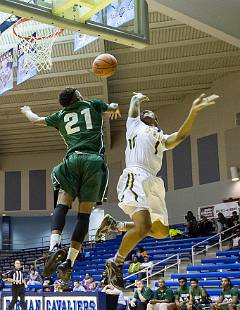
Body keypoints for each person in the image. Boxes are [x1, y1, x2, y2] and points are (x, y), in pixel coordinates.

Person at [96, 92, 217, 289]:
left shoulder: (160, 136)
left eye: (150, 112)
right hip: (135, 174)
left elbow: (181, 136)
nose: (146, 112)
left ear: (156, 120)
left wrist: (193, 112)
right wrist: (137, 98)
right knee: (143, 227)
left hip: (153, 182)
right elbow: (134, 107)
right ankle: (116, 262)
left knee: (161, 232)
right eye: (144, 112)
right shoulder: (135, 125)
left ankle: (116, 225)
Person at [21, 88, 120, 282]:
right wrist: (114, 107)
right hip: (94, 161)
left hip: (73, 160)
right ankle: (69, 263)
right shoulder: (93, 104)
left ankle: (52, 248)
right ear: (78, 96)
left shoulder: (61, 115)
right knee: (84, 216)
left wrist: (26, 110)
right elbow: (113, 107)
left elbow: (35, 120)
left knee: (62, 205)